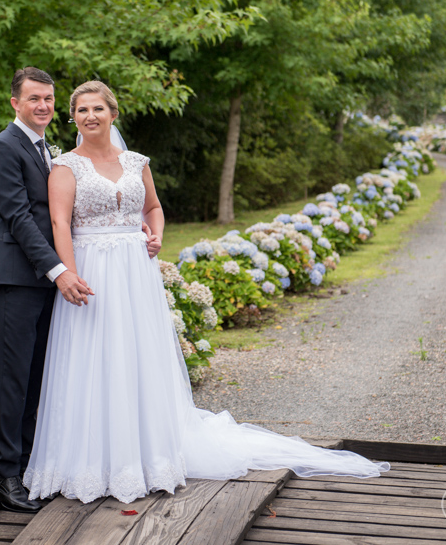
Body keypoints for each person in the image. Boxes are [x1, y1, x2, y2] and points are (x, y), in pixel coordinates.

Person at [22, 81, 389, 505]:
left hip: (135, 274)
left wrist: (156, 236)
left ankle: (147, 455)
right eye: (82, 110)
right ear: (74, 118)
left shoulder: (136, 162)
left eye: (98, 108)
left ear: (113, 114)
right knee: (93, 357)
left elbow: (154, 208)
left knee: (137, 357)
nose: (90, 116)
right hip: (91, 270)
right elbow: (60, 223)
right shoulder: (65, 167)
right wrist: (66, 273)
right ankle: (90, 462)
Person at [0, 67, 93, 513]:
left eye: (48, 99)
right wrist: (59, 270)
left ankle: (23, 466)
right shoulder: (2, 149)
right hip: (15, 280)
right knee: (11, 381)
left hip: (44, 282)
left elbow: (62, 211)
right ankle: (0, 475)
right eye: (34, 99)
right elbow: (19, 219)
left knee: (35, 379)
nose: (43, 106)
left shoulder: (47, 150)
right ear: (15, 104)